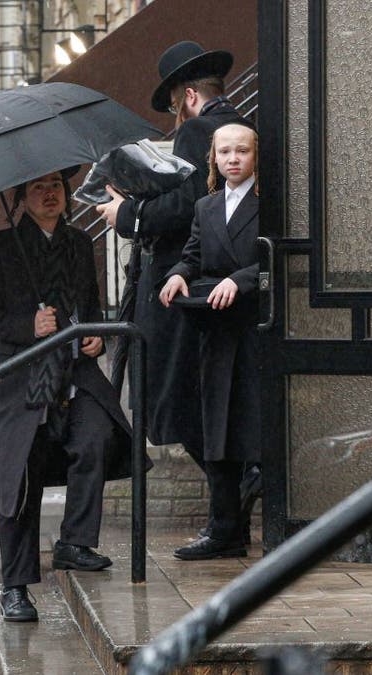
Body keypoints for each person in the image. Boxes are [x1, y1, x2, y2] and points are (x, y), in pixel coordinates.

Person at [0, 170, 143, 622]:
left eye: (56, 186)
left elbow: (89, 309)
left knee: (96, 437)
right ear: (22, 200)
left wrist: (95, 338)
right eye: (37, 188)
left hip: (76, 375)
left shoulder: (79, 243)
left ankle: (74, 541)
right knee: (18, 476)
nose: (50, 194)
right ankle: (15, 587)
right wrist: (29, 326)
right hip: (20, 383)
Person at [97, 41, 248, 474]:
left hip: (185, 282)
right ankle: (233, 502)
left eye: (174, 105)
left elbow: (187, 204)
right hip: (220, 277)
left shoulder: (198, 131)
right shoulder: (243, 126)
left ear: (189, 96)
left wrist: (125, 213)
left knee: (172, 398)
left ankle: (233, 500)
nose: (175, 116)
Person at [159, 123, 260, 560]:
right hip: (215, 332)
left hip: (257, 331)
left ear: (256, 156)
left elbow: (281, 256)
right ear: (213, 159)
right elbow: (193, 254)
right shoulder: (205, 206)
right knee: (215, 430)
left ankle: (275, 527)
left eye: (241, 151)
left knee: (255, 429)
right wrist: (178, 274)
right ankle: (224, 532)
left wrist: (240, 280)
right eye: (225, 152)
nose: (233, 159)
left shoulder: (269, 203)